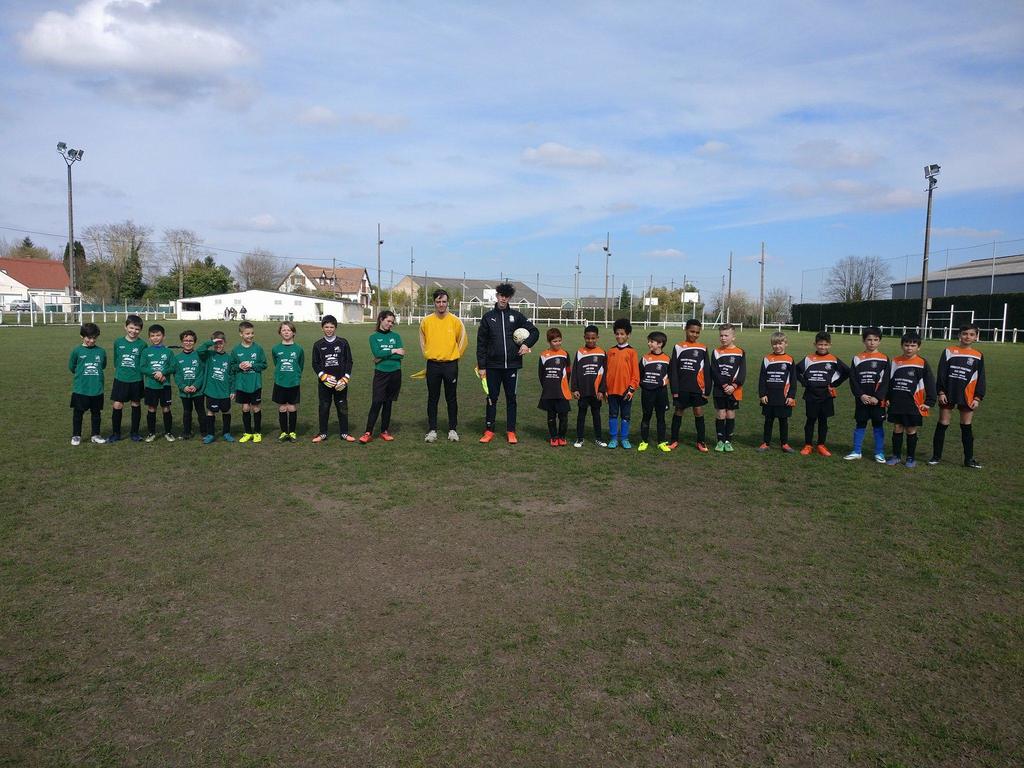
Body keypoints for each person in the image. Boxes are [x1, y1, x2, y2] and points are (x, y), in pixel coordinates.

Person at [477, 282, 539, 444]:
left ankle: (511, 431)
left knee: (511, 399)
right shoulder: (488, 317)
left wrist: (526, 344)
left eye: (506, 296)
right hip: (492, 366)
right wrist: (482, 366)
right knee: (492, 398)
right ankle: (489, 430)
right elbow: (481, 344)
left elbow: (534, 331)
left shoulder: (516, 316)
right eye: (501, 296)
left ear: (509, 298)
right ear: (497, 296)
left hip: (512, 366)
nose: (503, 299)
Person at [929, 323, 986, 469]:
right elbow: (942, 373)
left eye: (971, 334)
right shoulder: (949, 351)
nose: (968, 337)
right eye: (965, 334)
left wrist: (977, 397)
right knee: (943, 423)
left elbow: (981, 377)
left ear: (976, 337)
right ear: (959, 335)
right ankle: (936, 456)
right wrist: (941, 392)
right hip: (948, 393)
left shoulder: (978, 355)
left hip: (968, 395)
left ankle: (969, 459)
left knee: (966, 426)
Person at [419, 289, 468, 442]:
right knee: (432, 398)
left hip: (450, 366)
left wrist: (454, 357)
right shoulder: (426, 321)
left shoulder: (455, 321)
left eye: (444, 301)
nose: (441, 304)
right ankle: (432, 430)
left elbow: (463, 341)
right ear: (434, 303)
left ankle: (452, 429)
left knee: (451, 398)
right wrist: (430, 354)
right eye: (438, 301)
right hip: (433, 365)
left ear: (448, 302)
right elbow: (423, 342)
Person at [885, 332, 935, 468]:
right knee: (897, 427)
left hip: (914, 403)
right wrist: (887, 397)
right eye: (906, 345)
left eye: (913, 345)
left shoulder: (922, 363)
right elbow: (889, 381)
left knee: (911, 429)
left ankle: (910, 457)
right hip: (897, 401)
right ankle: (896, 456)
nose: (909, 348)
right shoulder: (895, 361)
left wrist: (929, 402)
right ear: (902, 346)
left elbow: (930, 383)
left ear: (919, 347)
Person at [796, 331, 849, 456]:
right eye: (820, 344)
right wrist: (805, 383)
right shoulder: (809, 359)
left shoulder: (833, 359)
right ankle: (808, 445)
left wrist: (835, 384)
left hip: (826, 395)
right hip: (811, 394)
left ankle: (821, 445)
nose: (823, 347)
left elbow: (847, 372)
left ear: (830, 345)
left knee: (823, 420)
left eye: (825, 344)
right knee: (810, 420)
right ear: (815, 344)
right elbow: (796, 370)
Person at [844, 326, 890, 462]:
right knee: (860, 423)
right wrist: (861, 395)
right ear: (864, 341)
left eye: (875, 340)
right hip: (862, 399)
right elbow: (853, 379)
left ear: (879, 341)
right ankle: (856, 451)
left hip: (878, 400)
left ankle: (879, 453)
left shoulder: (884, 359)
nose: (872, 342)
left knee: (878, 425)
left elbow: (886, 380)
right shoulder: (857, 358)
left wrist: (878, 397)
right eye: (869, 339)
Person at [361, 310, 405, 443]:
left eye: (392, 322)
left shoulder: (396, 336)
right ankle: (368, 433)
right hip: (381, 374)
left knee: (388, 403)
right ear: (381, 319)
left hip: (395, 373)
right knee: (376, 402)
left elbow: (401, 355)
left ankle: (384, 431)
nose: (390, 324)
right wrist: (393, 350)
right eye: (388, 321)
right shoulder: (373, 337)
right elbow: (377, 353)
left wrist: (381, 356)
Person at [667, 319, 711, 452]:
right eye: (692, 331)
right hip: (682, 387)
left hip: (697, 387)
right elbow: (673, 370)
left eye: (697, 332)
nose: (694, 335)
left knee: (698, 411)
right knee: (679, 411)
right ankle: (674, 440)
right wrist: (675, 390)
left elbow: (707, 370)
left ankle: (701, 441)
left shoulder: (703, 348)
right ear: (685, 330)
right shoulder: (678, 347)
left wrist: (707, 390)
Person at [311, 315, 355, 443]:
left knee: (342, 407)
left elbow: (349, 361)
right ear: (322, 328)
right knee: (324, 407)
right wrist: (323, 376)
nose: (329, 329)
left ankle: (344, 433)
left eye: (331, 327)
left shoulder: (343, 343)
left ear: (335, 328)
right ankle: (323, 433)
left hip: (340, 383)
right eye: (326, 327)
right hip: (325, 384)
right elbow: (315, 363)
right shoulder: (318, 345)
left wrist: (346, 378)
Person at [107, 314, 146, 443]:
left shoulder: (142, 344)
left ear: (140, 330)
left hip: (136, 379)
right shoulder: (118, 342)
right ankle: (116, 433)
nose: (133, 331)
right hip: (121, 379)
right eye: (131, 328)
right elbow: (116, 360)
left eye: (137, 329)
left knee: (136, 404)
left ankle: (134, 433)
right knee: (117, 405)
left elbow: (143, 363)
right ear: (125, 327)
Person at [757, 331, 797, 452]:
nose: (777, 346)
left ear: (786, 344)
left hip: (784, 397)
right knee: (768, 420)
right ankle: (766, 443)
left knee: (783, 421)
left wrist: (791, 396)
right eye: (775, 344)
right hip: (769, 396)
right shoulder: (767, 359)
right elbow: (762, 378)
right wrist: (762, 394)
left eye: (780, 343)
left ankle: (784, 443)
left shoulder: (789, 360)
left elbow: (793, 380)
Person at [68, 322, 107, 445]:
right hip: (81, 389)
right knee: (78, 413)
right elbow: (72, 367)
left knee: (96, 414)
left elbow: (103, 365)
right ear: (82, 336)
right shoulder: (77, 351)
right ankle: (76, 435)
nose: (92, 340)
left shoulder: (101, 351)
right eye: (89, 338)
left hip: (97, 389)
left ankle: (95, 435)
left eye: (94, 338)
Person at [710, 323, 746, 452]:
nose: (723, 338)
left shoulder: (740, 352)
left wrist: (734, 386)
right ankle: (720, 441)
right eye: (721, 335)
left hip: (734, 390)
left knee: (730, 413)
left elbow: (742, 372)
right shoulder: (716, 352)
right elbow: (714, 371)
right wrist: (725, 385)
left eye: (726, 335)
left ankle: (728, 441)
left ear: (733, 337)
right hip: (720, 389)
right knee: (721, 413)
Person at [571, 325, 607, 448]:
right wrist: (575, 389)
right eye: (588, 338)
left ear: (597, 338)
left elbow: (605, 373)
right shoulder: (580, 352)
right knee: (581, 414)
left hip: (596, 391)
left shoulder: (602, 353)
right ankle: (579, 438)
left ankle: (598, 438)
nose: (590, 340)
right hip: (583, 390)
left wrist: (602, 390)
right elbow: (575, 371)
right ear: (584, 337)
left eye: (593, 338)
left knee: (596, 414)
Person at [139, 323, 178, 442]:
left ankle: (168, 432)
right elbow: (142, 367)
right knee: (152, 408)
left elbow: (173, 367)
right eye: (152, 335)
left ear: (163, 336)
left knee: (166, 408)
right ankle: (151, 433)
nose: (155, 338)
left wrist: (163, 372)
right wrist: (155, 374)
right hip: (151, 386)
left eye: (158, 335)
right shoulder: (146, 351)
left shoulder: (168, 352)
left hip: (165, 386)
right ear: (149, 337)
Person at [605, 318, 639, 449]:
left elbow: (635, 374)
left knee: (625, 416)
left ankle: (624, 438)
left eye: (622, 334)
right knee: (613, 415)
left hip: (626, 391)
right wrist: (605, 389)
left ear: (628, 335)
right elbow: (606, 371)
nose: (619, 336)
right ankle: (613, 438)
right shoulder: (610, 351)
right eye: (617, 334)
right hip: (612, 391)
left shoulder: (632, 352)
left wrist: (631, 389)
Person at [231, 320, 268, 443]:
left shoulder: (258, 348)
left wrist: (252, 365)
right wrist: (239, 366)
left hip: (255, 384)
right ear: (241, 334)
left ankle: (257, 432)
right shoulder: (236, 350)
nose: (250, 335)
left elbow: (264, 365)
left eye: (252, 333)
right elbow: (232, 366)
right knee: (245, 408)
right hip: (242, 385)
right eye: (247, 333)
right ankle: (247, 432)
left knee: (256, 407)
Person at [637, 331, 672, 453]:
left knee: (661, 417)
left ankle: (661, 442)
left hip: (661, 393)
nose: (649, 343)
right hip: (647, 392)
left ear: (660, 344)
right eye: (649, 341)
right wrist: (644, 384)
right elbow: (639, 375)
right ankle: (644, 441)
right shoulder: (645, 358)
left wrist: (663, 382)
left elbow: (670, 375)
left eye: (651, 341)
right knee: (646, 416)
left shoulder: (667, 359)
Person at [198, 331, 235, 443]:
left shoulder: (229, 358)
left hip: (224, 392)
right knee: (210, 412)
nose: (218, 346)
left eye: (221, 343)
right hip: (211, 391)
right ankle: (210, 434)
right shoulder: (209, 355)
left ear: (225, 343)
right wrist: (211, 342)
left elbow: (232, 375)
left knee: (226, 411)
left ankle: (226, 433)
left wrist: (233, 390)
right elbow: (199, 350)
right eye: (216, 343)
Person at [537, 328, 572, 446]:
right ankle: (553, 437)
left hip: (562, 391)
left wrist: (564, 384)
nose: (557, 343)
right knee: (551, 416)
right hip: (549, 391)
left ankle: (562, 437)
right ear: (549, 341)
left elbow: (568, 372)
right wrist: (546, 386)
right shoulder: (543, 355)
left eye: (559, 340)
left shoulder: (565, 354)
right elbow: (541, 374)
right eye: (554, 341)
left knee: (563, 416)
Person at [272, 321, 304, 442]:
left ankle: (292, 432)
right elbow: (276, 363)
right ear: (280, 332)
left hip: (293, 382)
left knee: (291, 407)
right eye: (284, 330)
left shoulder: (298, 349)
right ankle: (284, 432)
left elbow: (300, 365)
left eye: (289, 330)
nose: (286, 332)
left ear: (293, 333)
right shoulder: (275, 349)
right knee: (282, 408)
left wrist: (296, 376)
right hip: (280, 382)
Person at [174, 330, 205, 441]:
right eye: (185, 340)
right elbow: (177, 375)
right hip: (185, 391)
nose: (188, 343)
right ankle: (186, 432)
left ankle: (204, 431)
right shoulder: (177, 358)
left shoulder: (199, 356)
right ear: (182, 342)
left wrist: (196, 385)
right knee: (187, 412)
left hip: (198, 391)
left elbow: (202, 373)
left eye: (191, 341)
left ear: (194, 342)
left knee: (201, 411)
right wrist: (183, 387)